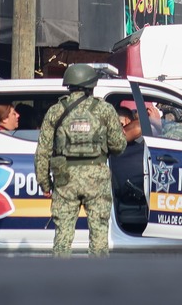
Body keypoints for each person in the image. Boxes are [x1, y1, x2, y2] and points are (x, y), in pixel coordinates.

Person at [35, 64, 127, 256]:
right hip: (96, 177)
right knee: (99, 233)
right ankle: (97, 280)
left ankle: (59, 280)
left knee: (62, 236)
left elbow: (43, 151)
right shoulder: (104, 110)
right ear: (91, 85)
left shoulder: (55, 111)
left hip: (64, 179)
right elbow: (118, 146)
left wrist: (45, 183)